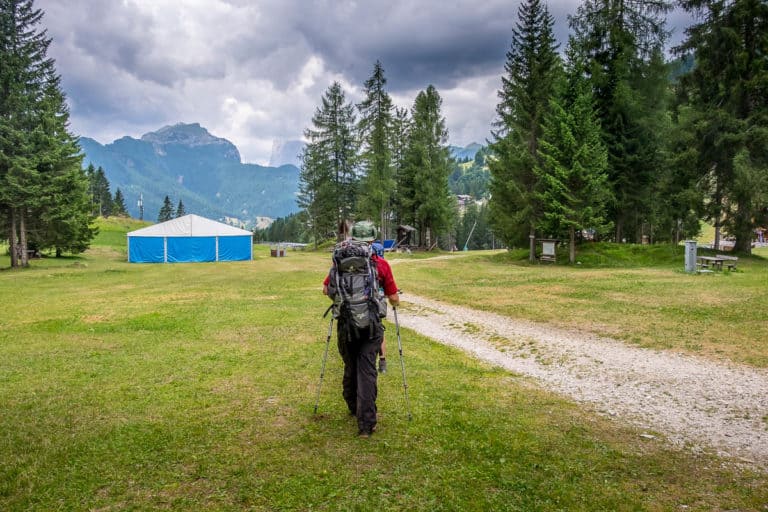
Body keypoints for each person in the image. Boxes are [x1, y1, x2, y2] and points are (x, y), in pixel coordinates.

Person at [323, 220, 399, 437]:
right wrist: (393, 301)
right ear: (373, 239)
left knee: (350, 364)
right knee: (367, 369)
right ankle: (366, 424)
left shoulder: (339, 262)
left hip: (346, 324)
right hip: (371, 326)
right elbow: (393, 297)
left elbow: (326, 289)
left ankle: (351, 404)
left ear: (352, 238)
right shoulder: (380, 264)